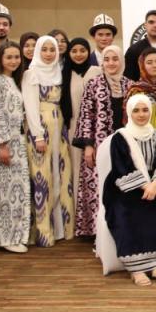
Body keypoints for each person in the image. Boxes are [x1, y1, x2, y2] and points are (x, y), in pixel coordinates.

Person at [104, 94, 156, 286]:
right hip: (123, 187)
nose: (141, 114)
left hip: (153, 184)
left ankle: (155, 262)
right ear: (129, 112)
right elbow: (121, 167)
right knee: (128, 211)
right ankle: (136, 269)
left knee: (155, 206)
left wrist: (155, 185)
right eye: (136, 110)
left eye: (145, 110)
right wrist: (146, 186)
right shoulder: (120, 137)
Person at [73, 44, 133, 240]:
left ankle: (122, 229)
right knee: (98, 186)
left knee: (123, 185)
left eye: (115, 59)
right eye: (107, 59)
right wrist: (88, 146)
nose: (111, 63)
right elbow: (86, 116)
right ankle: (97, 231)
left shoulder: (131, 86)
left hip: (125, 146)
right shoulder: (94, 84)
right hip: (99, 145)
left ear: (121, 61)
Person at [23, 35, 76, 247]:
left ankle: (63, 228)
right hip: (41, 129)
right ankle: (44, 233)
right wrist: (37, 135)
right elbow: (30, 107)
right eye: (44, 49)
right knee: (42, 177)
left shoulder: (59, 72)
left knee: (61, 176)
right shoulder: (31, 73)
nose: (48, 54)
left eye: (52, 49)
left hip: (59, 128)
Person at [0, 42, 30, 253]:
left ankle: (16, 234)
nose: (13, 61)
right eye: (9, 57)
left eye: (16, 57)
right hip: (2, 143)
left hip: (17, 141)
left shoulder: (13, 81)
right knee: (3, 191)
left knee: (16, 190)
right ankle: (4, 237)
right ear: (0, 58)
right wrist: (2, 144)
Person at [62, 38, 99, 211]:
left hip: (96, 129)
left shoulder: (96, 71)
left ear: (88, 52)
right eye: (74, 51)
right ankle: (79, 214)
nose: (78, 54)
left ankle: (97, 214)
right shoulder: (65, 74)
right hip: (72, 130)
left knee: (95, 171)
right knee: (76, 171)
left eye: (82, 50)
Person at [122, 10, 156, 81]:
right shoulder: (133, 49)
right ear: (145, 25)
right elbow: (128, 77)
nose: (155, 25)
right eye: (151, 22)